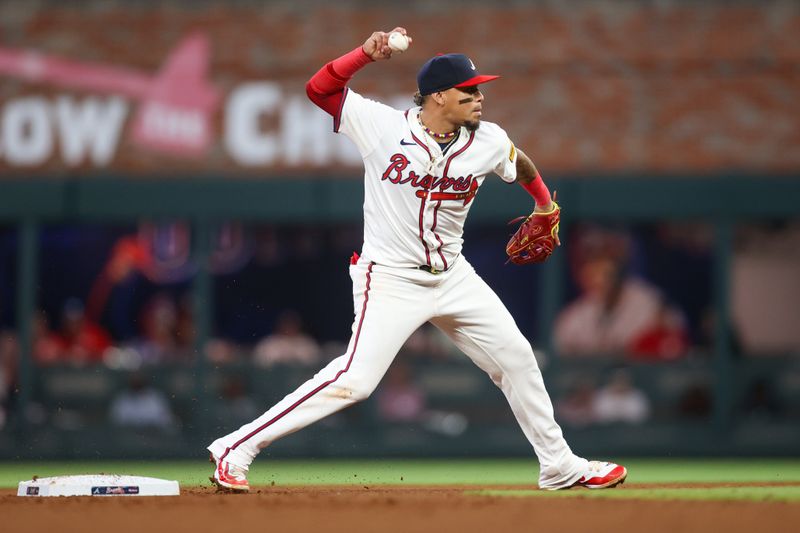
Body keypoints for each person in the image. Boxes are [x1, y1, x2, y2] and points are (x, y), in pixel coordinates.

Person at [207, 27, 626, 492]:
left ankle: (559, 465)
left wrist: (544, 204)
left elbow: (518, 161)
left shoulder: (487, 139)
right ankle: (236, 447)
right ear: (438, 96)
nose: (479, 97)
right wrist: (364, 54)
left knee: (517, 358)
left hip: (454, 276)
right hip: (390, 279)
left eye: (480, 89)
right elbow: (319, 89)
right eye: (468, 91)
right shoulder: (381, 125)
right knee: (355, 381)